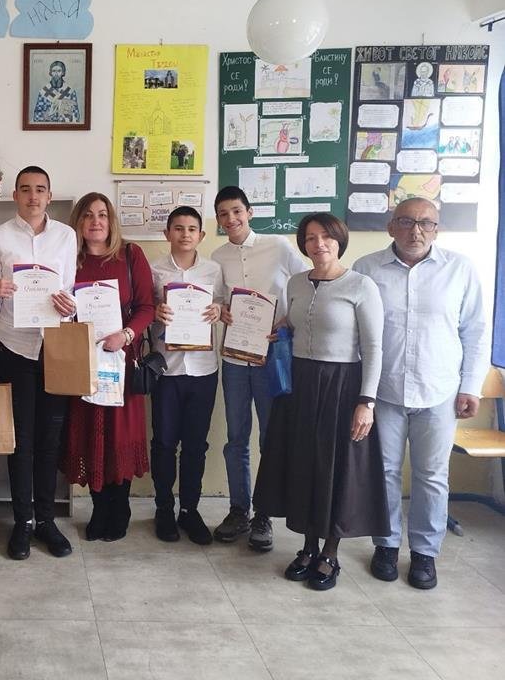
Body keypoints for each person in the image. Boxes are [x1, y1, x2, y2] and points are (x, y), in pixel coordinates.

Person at [354, 197, 490, 589]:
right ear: (390, 227)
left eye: (426, 223)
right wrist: (361, 394)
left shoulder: (460, 270)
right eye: (407, 222)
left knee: (432, 475)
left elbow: (475, 332)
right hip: (384, 391)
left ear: (437, 229)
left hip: (439, 392)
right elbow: (355, 333)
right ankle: (385, 545)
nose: (416, 231)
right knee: (384, 472)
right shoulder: (367, 269)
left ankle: (425, 554)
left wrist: (471, 386)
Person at [253, 213, 388, 591]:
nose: (319, 244)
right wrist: (278, 328)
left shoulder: (361, 285)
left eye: (326, 236)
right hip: (299, 384)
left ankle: (330, 551)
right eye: (311, 238)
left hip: (342, 386)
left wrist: (367, 402)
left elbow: (374, 348)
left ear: (339, 240)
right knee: (304, 464)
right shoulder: (296, 282)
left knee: (335, 467)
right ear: (303, 245)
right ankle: (308, 546)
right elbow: (294, 323)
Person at [0, 166, 77, 560]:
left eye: (40, 190)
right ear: (15, 196)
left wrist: (70, 306)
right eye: (25, 190)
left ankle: (46, 521)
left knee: (49, 441)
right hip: (14, 347)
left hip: (54, 348)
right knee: (20, 441)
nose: (33, 196)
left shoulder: (66, 236)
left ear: (49, 196)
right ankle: (22, 522)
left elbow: (70, 291)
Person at [211, 186, 306, 551]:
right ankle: (239, 510)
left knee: (269, 437)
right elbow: (218, 300)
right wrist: (222, 310)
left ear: (249, 212)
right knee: (236, 439)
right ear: (218, 220)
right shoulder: (218, 256)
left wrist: (286, 321)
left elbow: (304, 286)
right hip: (235, 359)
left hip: (271, 358)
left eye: (236, 211)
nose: (231, 218)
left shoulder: (278, 246)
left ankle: (263, 514)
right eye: (223, 214)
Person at [60, 193, 156, 542]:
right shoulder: (68, 259)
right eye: (88, 215)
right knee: (92, 435)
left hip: (121, 362)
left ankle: (120, 508)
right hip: (82, 362)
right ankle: (100, 509)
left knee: (120, 436)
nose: (95, 221)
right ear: (78, 222)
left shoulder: (131, 255)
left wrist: (126, 335)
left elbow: (147, 307)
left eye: (102, 214)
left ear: (111, 220)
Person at [149, 206, 224, 545]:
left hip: (204, 369)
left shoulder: (213, 269)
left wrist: (219, 309)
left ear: (201, 235)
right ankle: (164, 508)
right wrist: (156, 312)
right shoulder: (154, 270)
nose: (185, 234)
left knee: (195, 445)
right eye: (178, 228)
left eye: (192, 229)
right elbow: (143, 311)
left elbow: (223, 306)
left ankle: (189, 510)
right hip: (167, 369)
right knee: (164, 443)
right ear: (167, 233)